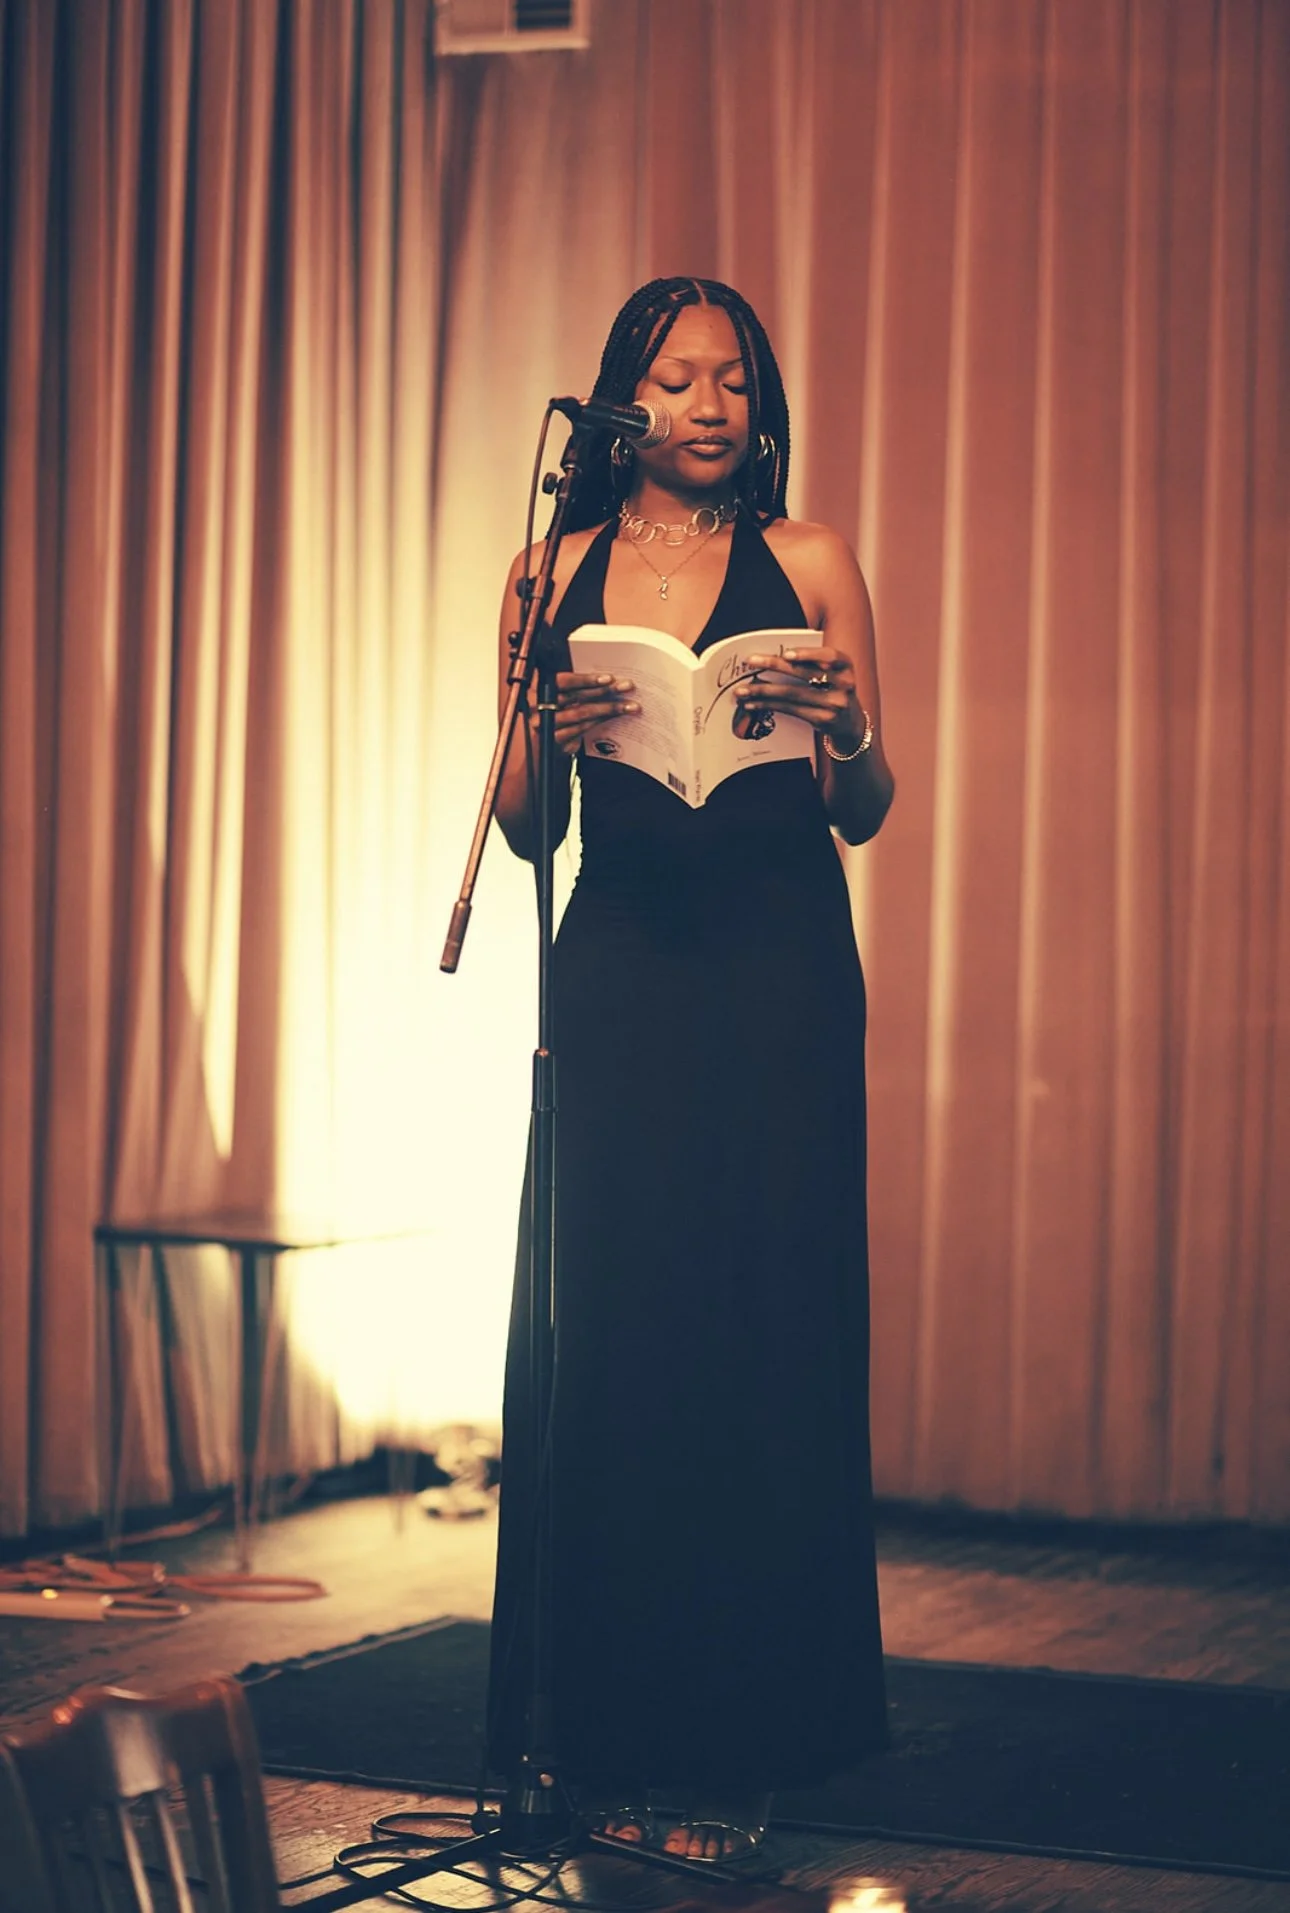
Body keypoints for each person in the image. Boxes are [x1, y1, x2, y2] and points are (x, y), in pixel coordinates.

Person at [487, 277, 894, 1861]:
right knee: (622, 1340)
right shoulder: (547, 571)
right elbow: (524, 828)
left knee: (766, 1333)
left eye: (733, 378)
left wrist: (844, 721)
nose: (710, 403)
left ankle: (751, 1744)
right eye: (676, 377)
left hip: (783, 966)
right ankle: (602, 1734)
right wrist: (545, 713)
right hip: (623, 971)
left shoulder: (810, 562)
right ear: (618, 404)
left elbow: (864, 809)